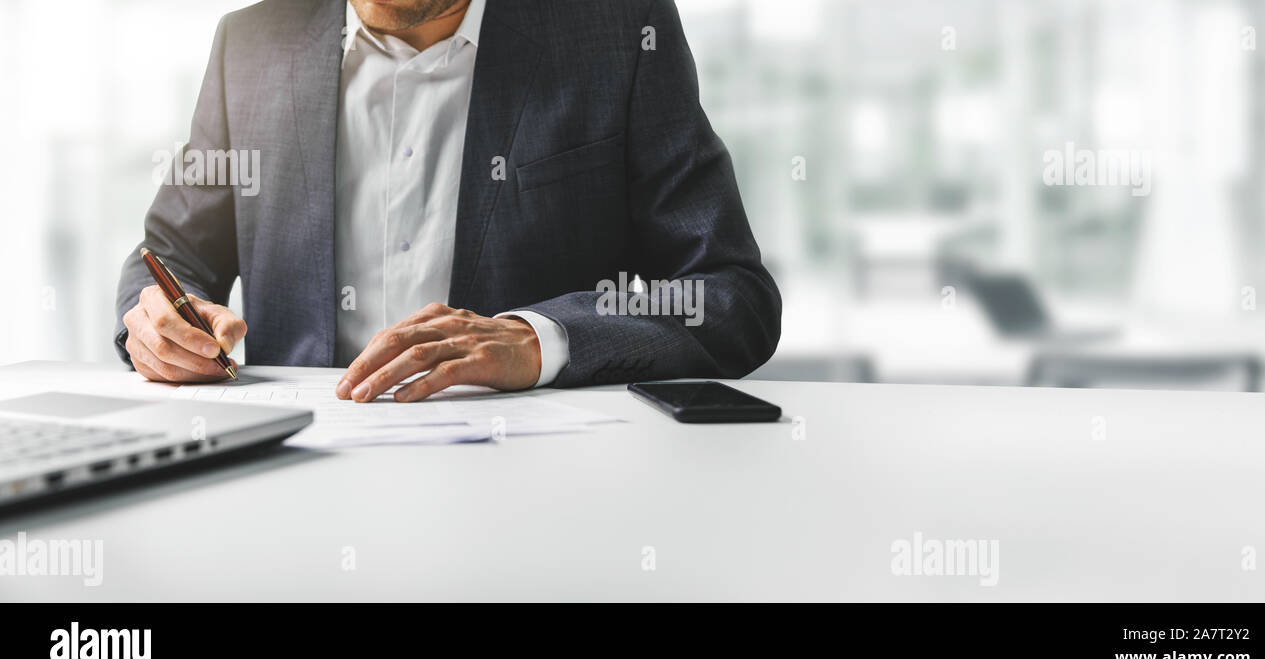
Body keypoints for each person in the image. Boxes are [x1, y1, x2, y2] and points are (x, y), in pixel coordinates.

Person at [114, 0, 780, 402]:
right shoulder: (252, 43)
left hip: (540, 489)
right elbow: (170, 256)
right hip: (300, 479)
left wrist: (540, 341)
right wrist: (157, 325)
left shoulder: (619, 32)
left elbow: (730, 295)